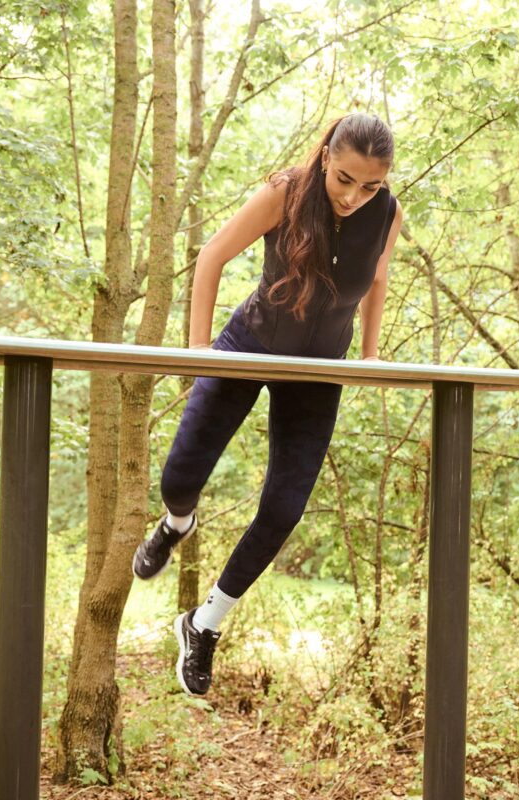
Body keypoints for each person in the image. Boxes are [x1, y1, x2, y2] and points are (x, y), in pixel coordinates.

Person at [132, 112, 403, 696]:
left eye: (371, 186)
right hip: (249, 345)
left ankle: (203, 624)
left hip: (319, 368)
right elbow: (212, 255)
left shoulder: (387, 212)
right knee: (180, 476)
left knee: (283, 510)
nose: (355, 196)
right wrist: (200, 351)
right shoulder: (287, 191)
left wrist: (373, 354)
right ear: (327, 155)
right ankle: (178, 522)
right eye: (345, 179)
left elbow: (377, 280)